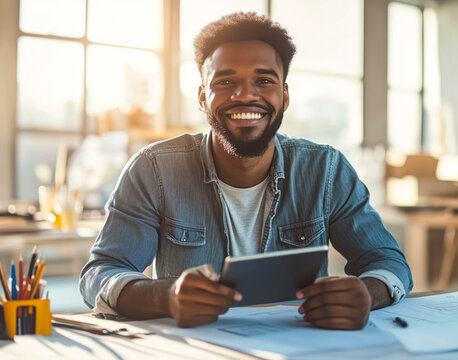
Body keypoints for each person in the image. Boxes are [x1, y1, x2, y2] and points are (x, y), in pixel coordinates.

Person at [80, 12, 412, 330]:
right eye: (226, 82)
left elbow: (389, 262)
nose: (245, 95)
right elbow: (100, 273)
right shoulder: (154, 170)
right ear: (201, 97)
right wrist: (165, 296)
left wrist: (367, 293)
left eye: (263, 81)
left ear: (284, 95)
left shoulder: (325, 170)